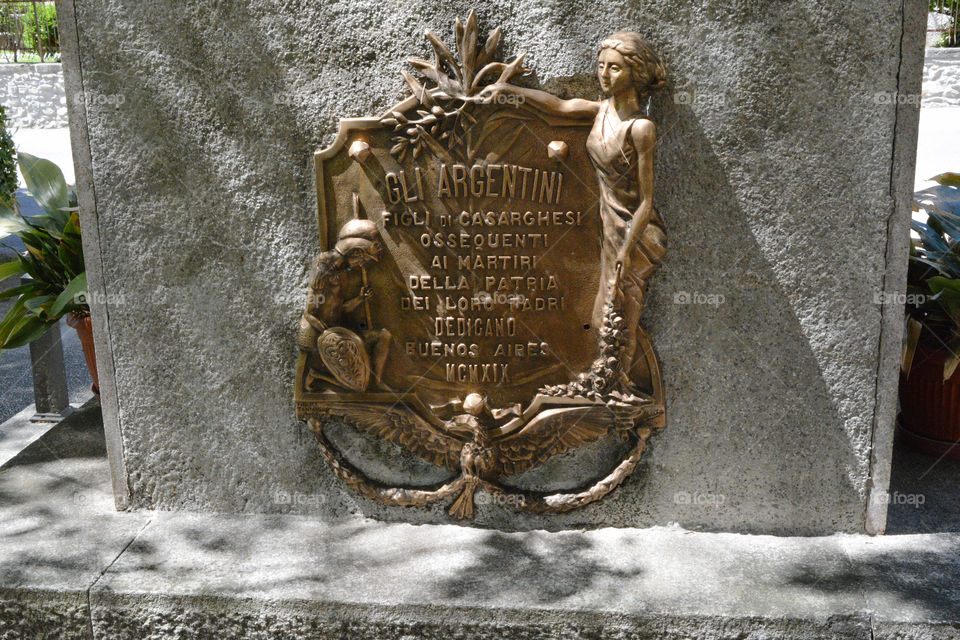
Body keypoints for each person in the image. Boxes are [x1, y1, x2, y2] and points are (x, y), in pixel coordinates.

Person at [479, 31, 667, 383]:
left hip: (635, 234)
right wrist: (511, 93)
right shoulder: (602, 111)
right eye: (601, 66)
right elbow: (559, 107)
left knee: (616, 313)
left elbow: (646, 200)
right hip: (609, 228)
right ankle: (617, 383)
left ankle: (621, 387)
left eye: (615, 68)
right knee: (605, 317)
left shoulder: (641, 128)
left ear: (635, 73)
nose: (604, 74)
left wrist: (627, 249)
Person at [298, 220, 392, 390]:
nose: (362, 265)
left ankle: (376, 384)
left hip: (339, 333)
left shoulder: (342, 273)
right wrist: (329, 335)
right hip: (322, 337)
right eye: (363, 259)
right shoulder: (323, 266)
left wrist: (359, 299)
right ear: (355, 252)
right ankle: (317, 375)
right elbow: (310, 311)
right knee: (358, 382)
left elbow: (339, 310)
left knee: (382, 336)